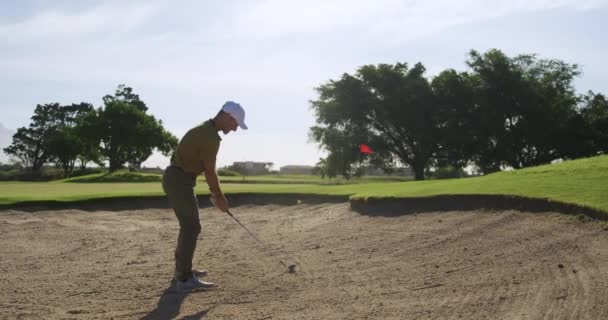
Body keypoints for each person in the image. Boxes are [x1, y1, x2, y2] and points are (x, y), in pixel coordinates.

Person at [162, 101, 248, 291]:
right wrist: (220, 198)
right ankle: (183, 278)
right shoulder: (210, 137)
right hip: (179, 180)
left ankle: (183, 269)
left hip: (179, 179)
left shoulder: (205, 130)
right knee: (191, 226)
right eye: (235, 124)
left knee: (189, 226)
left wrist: (215, 195)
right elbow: (210, 171)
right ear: (227, 117)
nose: (235, 129)